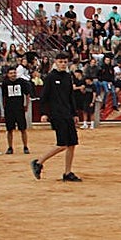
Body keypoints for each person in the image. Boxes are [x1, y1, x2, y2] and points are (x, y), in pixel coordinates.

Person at [30, 53, 81, 182]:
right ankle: (39, 162)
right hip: (57, 114)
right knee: (62, 144)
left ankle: (67, 172)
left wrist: (74, 114)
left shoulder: (68, 77)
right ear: (56, 62)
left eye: (65, 61)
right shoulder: (50, 77)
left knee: (72, 144)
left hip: (68, 113)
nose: (63, 64)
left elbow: (70, 97)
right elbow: (44, 97)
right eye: (61, 61)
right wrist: (44, 113)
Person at [1, 66, 31, 154]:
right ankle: (10, 147)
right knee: (9, 129)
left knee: (23, 129)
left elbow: (27, 94)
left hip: (19, 108)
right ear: (8, 74)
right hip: (9, 109)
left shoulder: (21, 82)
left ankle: (25, 146)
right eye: (11, 73)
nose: (13, 75)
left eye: (14, 73)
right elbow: (2, 97)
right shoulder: (5, 83)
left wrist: (26, 104)